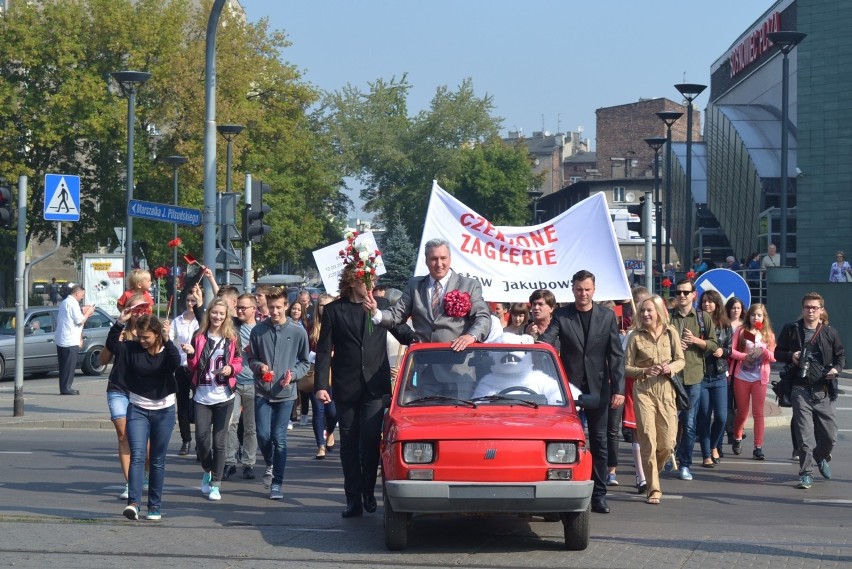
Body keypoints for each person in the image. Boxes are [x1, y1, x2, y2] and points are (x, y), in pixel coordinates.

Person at [316, 266, 414, 518]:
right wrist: (321, 386)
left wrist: (419, 339)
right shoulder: (333, 310)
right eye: (365, 282)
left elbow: (402, 333)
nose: (371, 287)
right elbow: (325, 350)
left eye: (373, 281)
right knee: (349, 443)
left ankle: (369, 492)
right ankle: (353, 500)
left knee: (370, 441)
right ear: (352, 282)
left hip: (374, 384)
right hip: (346, 386)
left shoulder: (380, 304)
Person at [539, 270, 625, 514]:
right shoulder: (563, 315)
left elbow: (616, 356)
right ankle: (561, 494)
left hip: (600, 388)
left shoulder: (607, 316)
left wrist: (618, 388)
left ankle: (599, 495)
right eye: (579, 289)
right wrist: (533, 344)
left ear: (594, 289)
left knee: (599, 441)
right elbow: (547, 342)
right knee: (565, 443)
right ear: (572, 289)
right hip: (569, 391)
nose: (583, 293)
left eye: (587, 289)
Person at [107, 311, 180, 521]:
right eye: (139, 336)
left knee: (157, 460)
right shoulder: (131, 348)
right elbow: (113, 344)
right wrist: (120, 322)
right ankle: (134, 504)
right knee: (138, 455)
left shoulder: (166, 350)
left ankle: (154, 507)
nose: (141, 341)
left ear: (156, 334)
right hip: (137, 408)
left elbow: (175, 362)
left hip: (164, 410)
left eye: (146, 337)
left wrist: (168, 339)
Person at [367, 237, 491, 351]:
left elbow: (483, 318)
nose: (439, 264)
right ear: (426, 261)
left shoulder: (469, 285)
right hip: (424, 364)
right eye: (433, 259)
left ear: (450, 259)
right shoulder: (414, 285)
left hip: (457, 363)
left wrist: (470, 336)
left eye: (443, 258)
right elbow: (397, 314)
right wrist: (375, 312)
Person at [775, 292, 845, 489]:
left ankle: (820, 455)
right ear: (802, 309)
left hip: (823, 390)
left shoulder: (830, 333)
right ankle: (806, 473)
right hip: (800, 389)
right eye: (807, 307)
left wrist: (835, 370)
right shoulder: (791, 330)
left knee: (830, 436)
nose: (811, 311)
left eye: (815, 307)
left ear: (821, 309)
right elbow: (777, 353)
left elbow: (841, 357)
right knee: (804, 436)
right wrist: (791, 355)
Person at [246, 288, 311, 500]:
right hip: (263, 392)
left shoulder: (297, 331)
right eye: (272, 307)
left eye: (279, 307)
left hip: (286, 393)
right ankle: (271, 462)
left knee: (279, 438)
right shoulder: (258, 331)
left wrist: (292, 375)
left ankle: (277, 483)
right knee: (263, 435)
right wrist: (259, 367)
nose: (274, 311)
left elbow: (304, 361)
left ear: (286, 306)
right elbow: (251, 358)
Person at [624, 295, 685, 505]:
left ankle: (653, 474)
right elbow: (626, 368)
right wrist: (645, 370)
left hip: (667, 390)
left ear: (659, 312)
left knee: (668, 443)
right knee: (648, 439)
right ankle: (654, 488)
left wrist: (671, 368)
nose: (646, 314)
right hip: (644, 391)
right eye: (642, 311)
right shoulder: (635, 336)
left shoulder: (671, 333)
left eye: (649, 310)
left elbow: (681, 360)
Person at [184, 298, 243, 501]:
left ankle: (216, 484)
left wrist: (231, 368)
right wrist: (191, 354)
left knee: (219, 442)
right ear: (209, 313)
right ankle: (207, 469)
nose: (217, 317)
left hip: (224, 396)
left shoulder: (232, 337)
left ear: (226, 316)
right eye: (214, 313)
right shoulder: (199, 336)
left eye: (221, 314)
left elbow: (239, 361)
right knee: (201, 440)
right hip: (202, 395)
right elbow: (192, 367)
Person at [669, 278, 717, 481]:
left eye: (685, 293)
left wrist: (696, 340)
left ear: (693, 294)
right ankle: (665, 456)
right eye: (678, 292)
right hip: (670, 377)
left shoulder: (702, 317)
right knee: (669, 423)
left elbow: (714, 345)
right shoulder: (668, 317)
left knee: (689, 423)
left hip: (694, 376)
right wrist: (675, 345)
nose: (681, 296)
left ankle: (685, 464)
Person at [729, 303, 776, 460]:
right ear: (748, 316)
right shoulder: (742, 332)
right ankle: (737, 436)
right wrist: (745, 356)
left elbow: (773, 357)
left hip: (759, 378)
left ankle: (758, 446)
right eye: (754, 314)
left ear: (764, 317)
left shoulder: (767, 334)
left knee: (758, 413)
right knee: (742, 412)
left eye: (759, 315)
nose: (756, 317)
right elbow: (732, 351)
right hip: (741, 377)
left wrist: (763, 350)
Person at [223, 293, 259, 481]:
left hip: (254, 383)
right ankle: (229, 462)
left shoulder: (261, 330)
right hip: (234, 382)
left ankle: (249, 463)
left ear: (254, 309)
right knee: (231, 423)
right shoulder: (232, 326)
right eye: (239, 307)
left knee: (251, 427)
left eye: (244, 308)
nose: (240, 310)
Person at [697, 290, 731, 468]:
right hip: (701, 375)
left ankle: (714, 445)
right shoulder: (697, 322)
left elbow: (730, 349)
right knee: (703, 416)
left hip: (718, 376)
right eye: (704, 302)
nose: (707, 304)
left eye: (710, 302)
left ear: (717, 304)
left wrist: (723, 352)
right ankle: (706, 454)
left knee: (721, 417)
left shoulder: (725, 325)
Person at [622, 286, 650, 493]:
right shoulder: (631, 334)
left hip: (657, 386)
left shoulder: (663, 331)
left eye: (647, 305)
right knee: (637, 433)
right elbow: (624, 363)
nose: (644, 310)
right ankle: (641, 476)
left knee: (658, 435)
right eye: (639, 305)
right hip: (636, 385)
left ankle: (652, 471)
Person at [170, 286, 201, 456]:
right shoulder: (177, 320)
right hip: (182, 367)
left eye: (193, 301)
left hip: (196, 367)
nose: (190, 304)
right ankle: (186, 440)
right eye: (188, 301)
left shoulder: (201, 320)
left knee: (199, 405)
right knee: (181, 405)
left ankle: (200, 442)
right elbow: (168, 339)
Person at [307, 294, 338, 460]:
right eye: (320, 305)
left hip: (335, 374)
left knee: (333, 412)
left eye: (327, 305)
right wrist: (317, 355)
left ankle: (330, 431)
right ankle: (320, 445)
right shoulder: (311, 327)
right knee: (318, 411)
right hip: (316, 374)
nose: (323, 308)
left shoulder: (338, 325)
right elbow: (304, 351)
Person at [54, 284, 96, 395]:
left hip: (63, 338)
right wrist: (88, 312)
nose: (82, 297)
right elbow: (80, 321)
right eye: (82, 294)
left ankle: (64, 387)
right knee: (69, 365)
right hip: (69, 339)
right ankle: (66, 387)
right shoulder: (72, 303)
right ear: (77, 293)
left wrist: (83, 312)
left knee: (64, 365)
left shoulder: (66, 302)